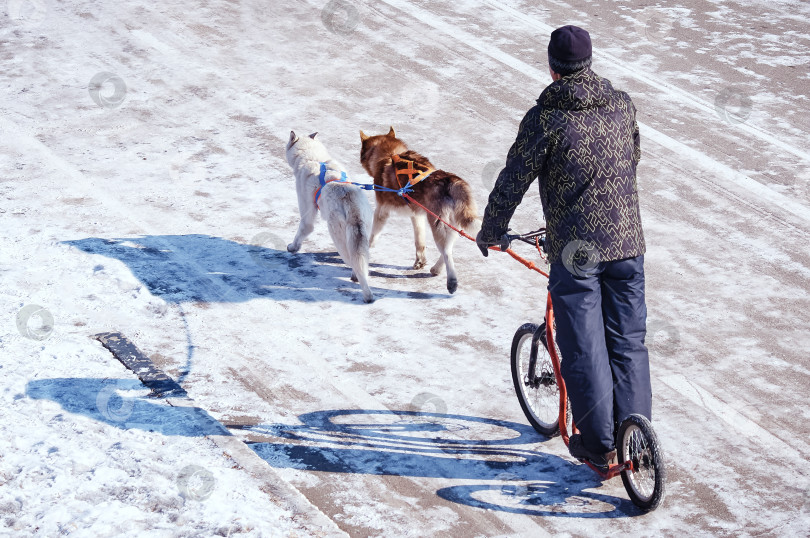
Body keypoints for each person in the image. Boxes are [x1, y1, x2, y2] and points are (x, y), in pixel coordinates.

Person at [476, 25, 652, 469]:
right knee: (628, 344)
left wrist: (492, 228)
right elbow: (632, 156)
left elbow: (514, 177)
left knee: (585, 347)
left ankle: (599, 445)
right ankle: (638, 439)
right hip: (628, 242)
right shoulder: (622, 104)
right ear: (589, 62)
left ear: (552, 67)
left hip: (578, 252)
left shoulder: (546, 118)